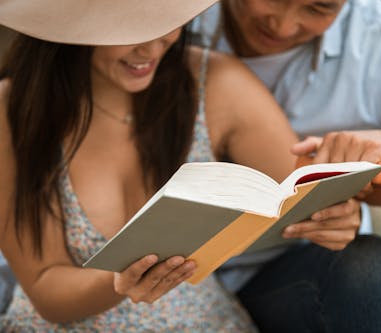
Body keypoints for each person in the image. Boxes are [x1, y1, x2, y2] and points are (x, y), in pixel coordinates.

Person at [0, 0, 316, 331]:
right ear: (67, 24)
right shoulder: (14, 111)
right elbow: (46, 287)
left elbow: (306, 192)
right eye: (128, 28)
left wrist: (337, 212)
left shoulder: (214, 82)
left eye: (165, 22)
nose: (151, 48)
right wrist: (119, 282)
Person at [189, 0, 381, 331]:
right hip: (171, 269)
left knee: (367, 267)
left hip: (299, 271)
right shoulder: (170, 22)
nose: (282, 25)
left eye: (318, 9)